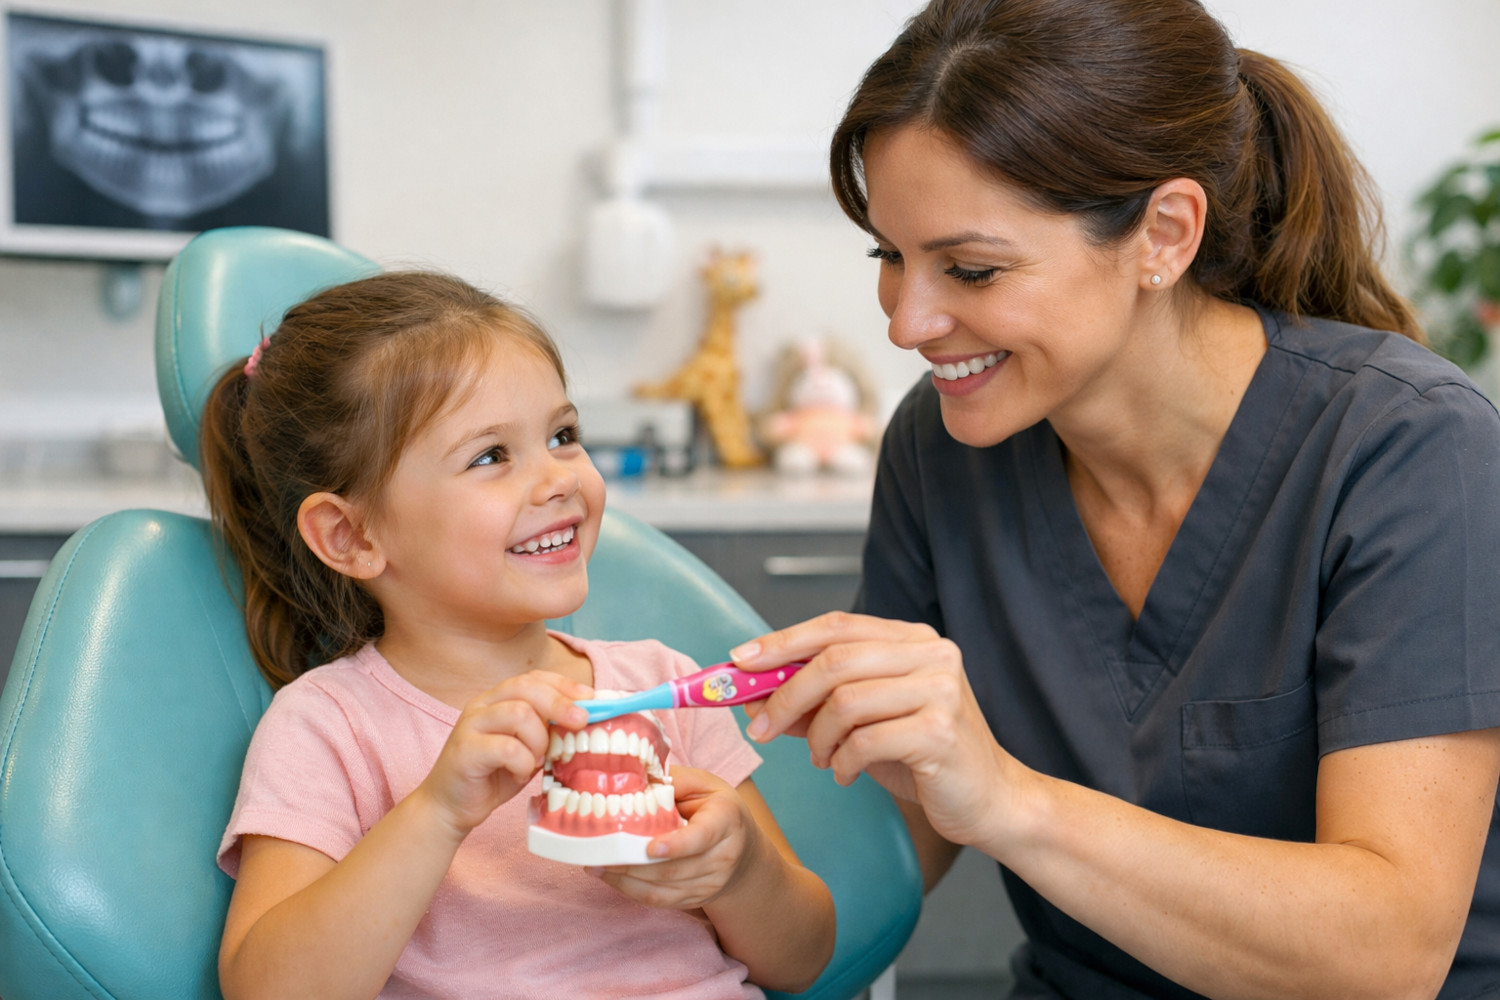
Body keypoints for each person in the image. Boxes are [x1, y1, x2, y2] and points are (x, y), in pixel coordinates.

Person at [733, 1, 1500, 998]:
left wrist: (1006, 797)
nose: (908, 323)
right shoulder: (945, 445)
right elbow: (893, 841)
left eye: (971, 267)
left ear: (1165, 235)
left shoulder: (1408, 449)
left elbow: (1385, 954)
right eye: (890, 256)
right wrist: (722, 862)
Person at [201, 271, 834, 1000]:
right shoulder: (329, 727)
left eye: (562, 436)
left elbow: (805, 958)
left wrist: (742, 870)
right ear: (350, 535)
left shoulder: (660, 684)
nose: (558, 478)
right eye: (490, 457)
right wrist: (437, 812)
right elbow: (269, 991)